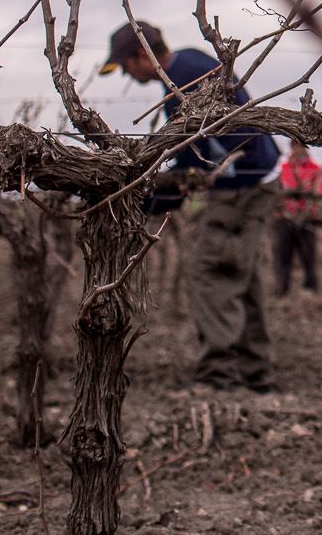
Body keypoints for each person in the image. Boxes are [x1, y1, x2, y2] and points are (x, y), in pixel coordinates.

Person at [103, 20, 281, 392]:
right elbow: (193, 154)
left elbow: (203, 151)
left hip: (242, 186)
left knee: (211, 271)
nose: (127, 75)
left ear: (142, 56)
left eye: (125, 66)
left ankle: (218, 376)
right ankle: (255, 371)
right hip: (251, 179)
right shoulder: (185, 69)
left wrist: (151, 199)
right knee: (239, 274)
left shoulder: (187, 80)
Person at [273, 140, 322, 297]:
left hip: (307, 219)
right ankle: (282, 289)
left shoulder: (315, 168)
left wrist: (309, 203)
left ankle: (311, 289)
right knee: (284, 256)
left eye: (299, 146)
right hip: (286, 219)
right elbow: (277, 192)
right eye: (294, 146)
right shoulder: (284, 168)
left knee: (308, 256)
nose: (296, 150)